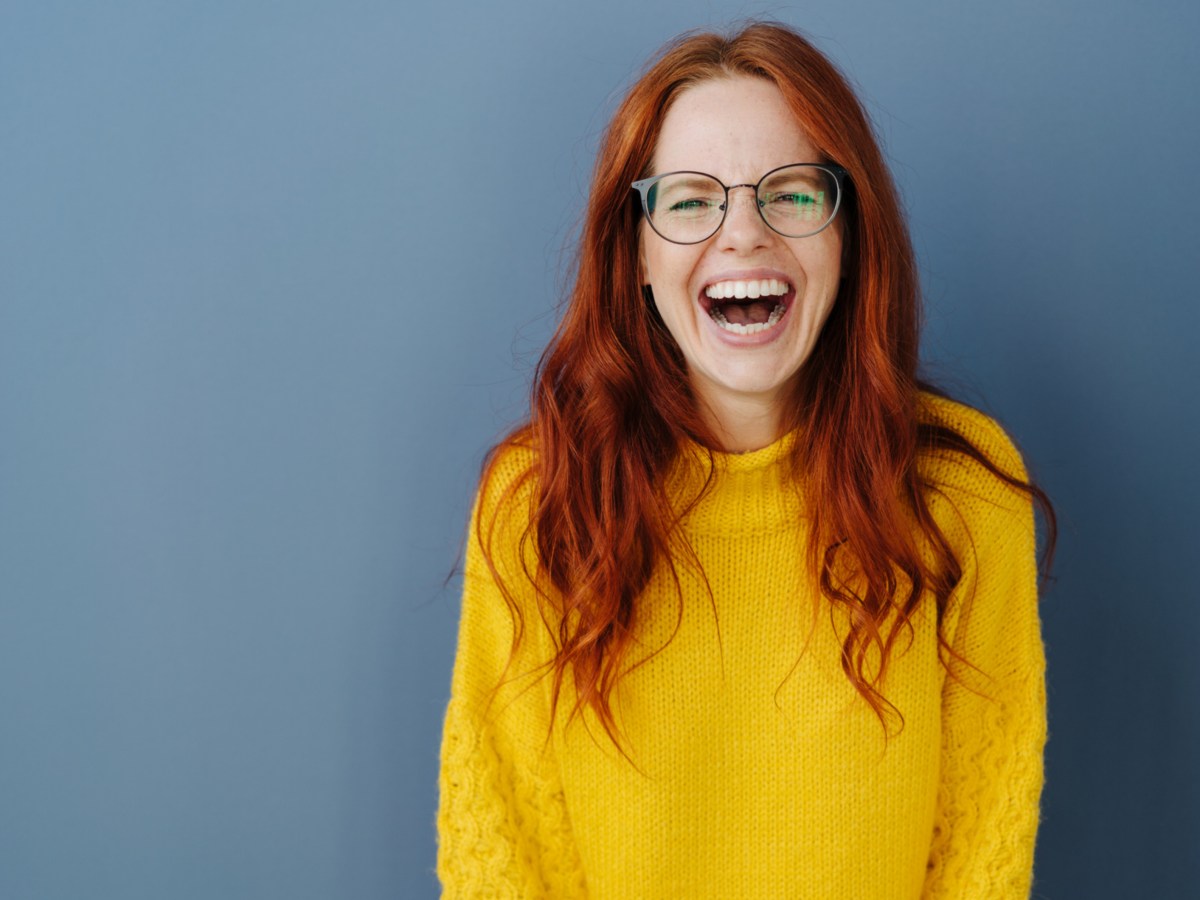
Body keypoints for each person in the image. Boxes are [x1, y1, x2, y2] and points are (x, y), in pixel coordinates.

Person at [436, 20, 1056, 899]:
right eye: (691, 199)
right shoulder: (540, 501)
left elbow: (980, 854)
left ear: (849, 236)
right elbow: (500, 851)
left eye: (792, 194)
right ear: (638, 254)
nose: (743, 236)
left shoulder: (960, 498)